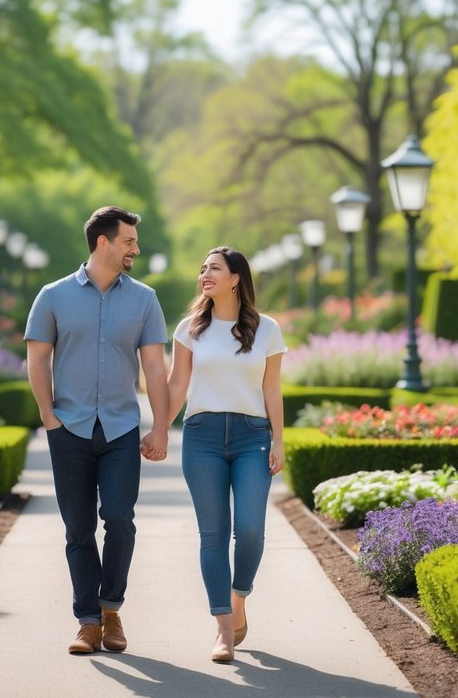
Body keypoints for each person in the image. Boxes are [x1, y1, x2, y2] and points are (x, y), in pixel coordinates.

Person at [24, 206, 170, 656]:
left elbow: (153, 368)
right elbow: (37, 359)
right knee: (79, 528)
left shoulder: (144, 298)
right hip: (69, 428)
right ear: (103, 242)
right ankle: (88, 622)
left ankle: (111, 609)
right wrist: (49, 418)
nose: (136, 249)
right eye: (129, 241)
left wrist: (161, 427)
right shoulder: (53, 295)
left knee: (121, 520)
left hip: (122, 428)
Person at [153, 246, 286, 663]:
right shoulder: (190, 328)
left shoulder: (267, 329)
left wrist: (279, 440)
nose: (204, 275)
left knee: (249, 530)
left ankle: (238, 595)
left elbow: (271, 389)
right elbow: (177, 387)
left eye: (214, 268)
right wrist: (158, 429)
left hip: (253, 437)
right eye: (202, 269)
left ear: (235, 278)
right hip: (202, 435)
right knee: (212, 535)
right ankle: (223, 630)